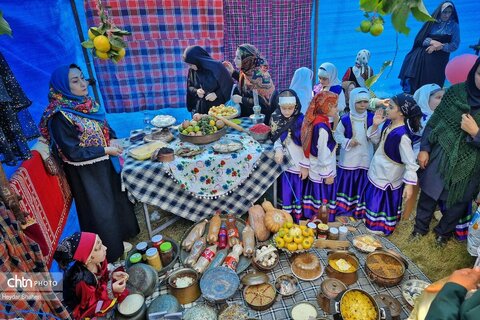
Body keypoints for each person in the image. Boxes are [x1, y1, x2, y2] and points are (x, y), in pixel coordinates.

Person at [39, 64, 139, 261]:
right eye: (75, 81)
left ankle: (121, 239)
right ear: (63, 87)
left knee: (116, 200)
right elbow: (72, 151)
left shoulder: (87, 104)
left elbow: (103, 126)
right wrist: (105, 149)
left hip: (104, 163)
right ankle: (109, 251)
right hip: (86, 173)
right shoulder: (60, 115)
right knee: (101, 210)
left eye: (83, 78)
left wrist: (112, 138)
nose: (83, 84)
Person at [412, 57, 480, 246]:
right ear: (474, 71)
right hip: (442, 152)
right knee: (429, 192)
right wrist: (425, 148)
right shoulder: (456, 92)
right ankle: (419, 228)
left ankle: (443, 234)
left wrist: (476, 133)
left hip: (472, 161)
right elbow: (434, 122)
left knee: (459, 201)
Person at [356, 94, 422, 235]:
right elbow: (376, 141)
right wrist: (375, 125)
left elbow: (410, 163)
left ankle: (379, 226)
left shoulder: (402, 136)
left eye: (391, 107)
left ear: (401, 113)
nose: (387, 109)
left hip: (388, 175)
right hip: (378, 169)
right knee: (372, 196)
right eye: (388, 105)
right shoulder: (388, 124)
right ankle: (369, 221)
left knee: (380, 201)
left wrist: (409, 185)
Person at [54, 232, 130, 319]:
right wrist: (111, 290)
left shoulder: (98, 262)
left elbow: (102, 277)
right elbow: (90, 306)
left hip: (96, 293)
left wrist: (112, 275)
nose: (105, 248)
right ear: (88, 258)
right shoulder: (81, 280)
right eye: (99, 247)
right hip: (85, 308)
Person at [402, 84, 445, 218]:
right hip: (416, 159)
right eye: (438, 98)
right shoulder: (419, 119)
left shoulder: (439, 117)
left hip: (434, 159)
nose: (441, 102)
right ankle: (406, 214)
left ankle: (429, 213)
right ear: (425, 98)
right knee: (413, 186)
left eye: (444, 98)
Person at [399, 1, 460, 94]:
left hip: (439, 62)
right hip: (422, 60)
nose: (447, 15)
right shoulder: (431, 22)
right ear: (440, 11)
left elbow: (454, 45)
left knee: (434, 88)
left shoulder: (454, 26)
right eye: (444, 12)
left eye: (449, 12)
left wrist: (439, 46)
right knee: (416, 86)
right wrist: (432, 41)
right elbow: (419, 39)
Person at [334, 88, 376, 217]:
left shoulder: (372, 118)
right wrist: (347, 142)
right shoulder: (345, 119)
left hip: (365, 156)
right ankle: (344, 209)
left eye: (365, 101)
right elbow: (337, 135)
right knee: (348, 181)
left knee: (361, 182)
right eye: (359, 102)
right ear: (352, 102)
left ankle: (359, 209)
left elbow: (376, 138)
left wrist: (374, 129)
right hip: (349, 157)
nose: (363, 105)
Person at [271, 89, 309, 222]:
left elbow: (308, 144)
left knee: (298, 191)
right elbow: (275, 136)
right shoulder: (276, 117)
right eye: (284, 108)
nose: (287, 111)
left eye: (290, 108)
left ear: (296, 106)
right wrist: (278, 149)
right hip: (286, 164)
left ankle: (298, 220)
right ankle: (286, 219)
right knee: (286, 191)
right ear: (279, 106)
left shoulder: (302, 120)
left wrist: (305, 166)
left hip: (300, 164)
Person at [301, 91, 338, 221]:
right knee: (322, 196)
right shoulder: (322, 128)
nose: (336, 108)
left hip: (315, 167)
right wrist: (327, 174)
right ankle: (321, 221)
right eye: (334, 106)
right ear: (325, 107)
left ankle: (314, 218)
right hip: (322, 169)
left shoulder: (316, 120)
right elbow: (323, 154)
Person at [223, 44, 275, 123]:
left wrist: (241, 99)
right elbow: (248, 84)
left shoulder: (259, 76)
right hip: (250, 116)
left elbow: (263, 103)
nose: (234, 60)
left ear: (246, 60)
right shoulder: (248, 71)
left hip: (261, 120)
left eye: (238, 58)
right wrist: (233, 72)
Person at [183, 45, 234, 114]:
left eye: (191, 65)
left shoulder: (217, 67)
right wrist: (196, 91)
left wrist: (217, 95)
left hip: (218, 111)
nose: (191, 67)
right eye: (189, 65)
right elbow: (190, 87)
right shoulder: (193, 70)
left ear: (198, 60)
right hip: (199, 111)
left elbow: (229, 85)